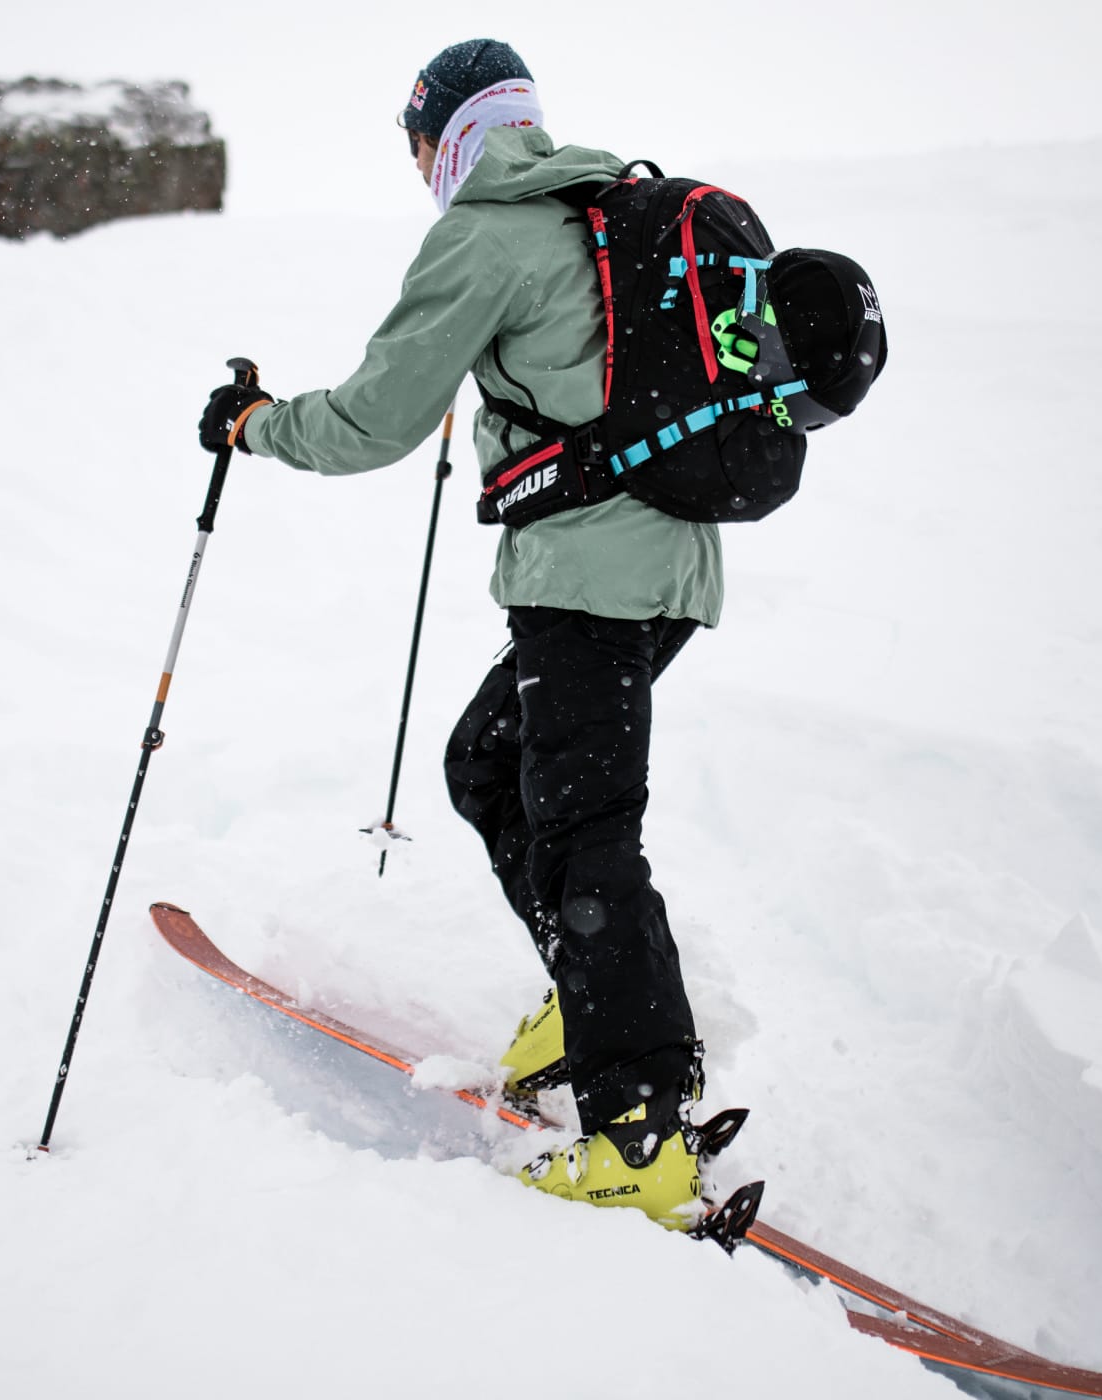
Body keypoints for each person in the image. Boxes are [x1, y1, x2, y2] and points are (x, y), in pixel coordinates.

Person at [197, 39, 875, 1231]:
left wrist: (254, 425)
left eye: (418, 149)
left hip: (588, 581)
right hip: (662, 568)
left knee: (583, 825)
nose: (420, 173)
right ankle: (592, 998)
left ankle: (639, 1125)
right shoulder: (594, 206)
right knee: (488, 763)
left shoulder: (484, 232)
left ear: (445, 133)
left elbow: (367, 423)